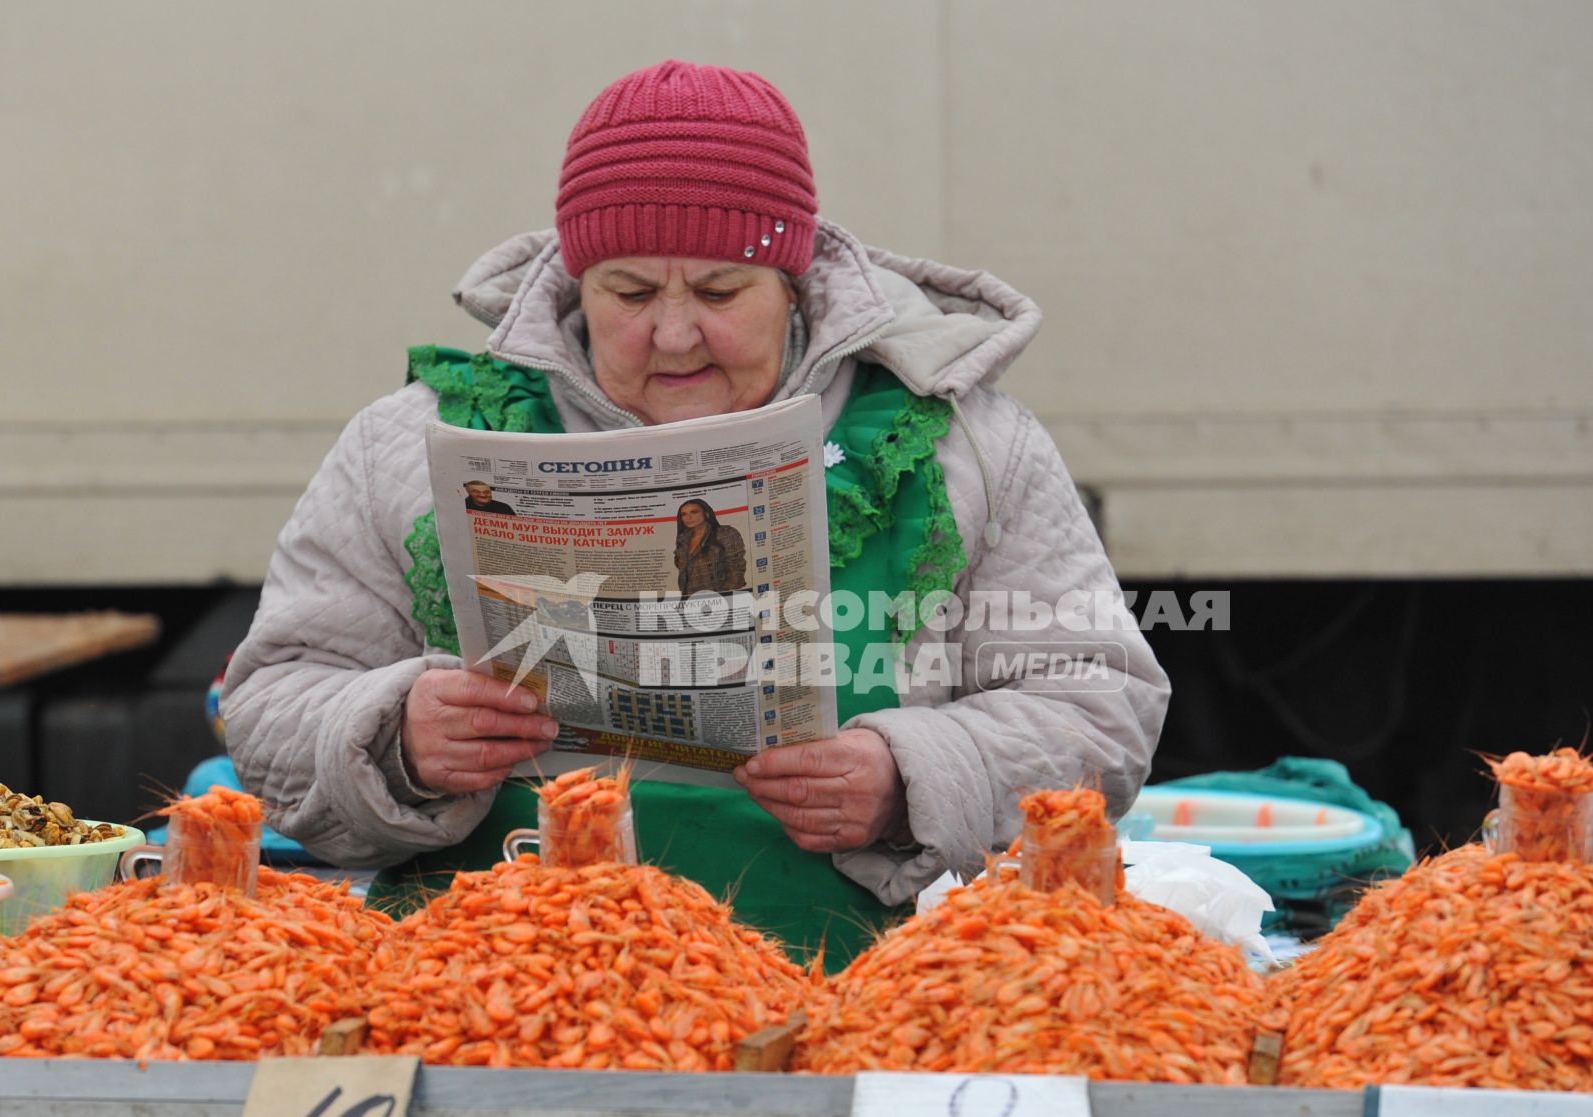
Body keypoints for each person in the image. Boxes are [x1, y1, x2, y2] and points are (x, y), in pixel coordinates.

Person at [223, 60, 1169, 963]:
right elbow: (272, 697)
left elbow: (1100, 699)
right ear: (574, 285)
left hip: (849, 993)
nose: (674, 335)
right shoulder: (416, 440)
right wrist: (396, 737)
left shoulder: (965, 445)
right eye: (628, 293)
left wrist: (916, 779)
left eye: (721, 292)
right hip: (490, 985)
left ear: (795, 286)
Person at [673, 498, 746, 594]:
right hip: (691, 600)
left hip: (719, 598)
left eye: (694, 512)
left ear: (706, 514)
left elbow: (736, 567)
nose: (688, 517)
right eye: (684, 514)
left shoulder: (725, 533)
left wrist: (726, 595)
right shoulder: (682, 541)